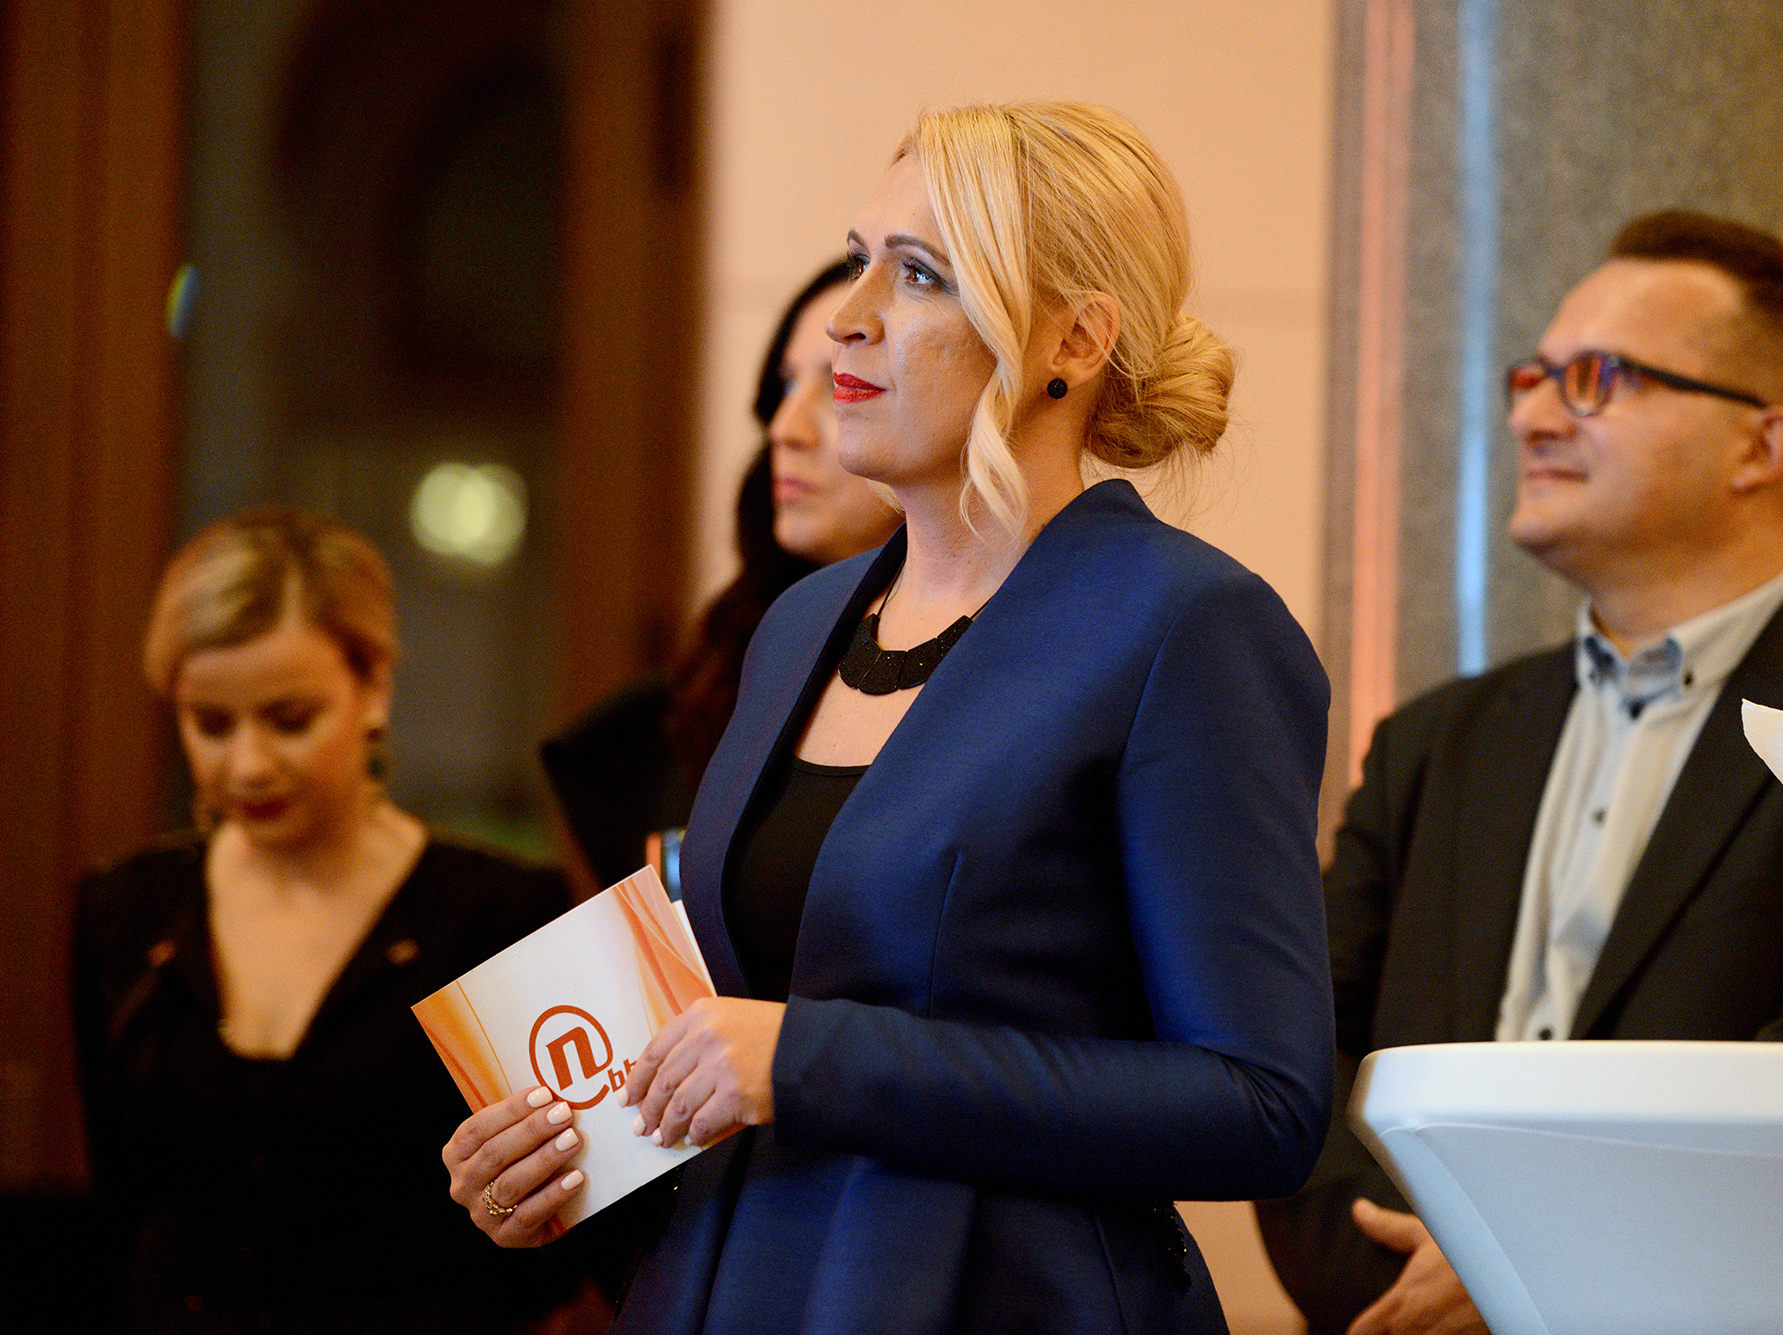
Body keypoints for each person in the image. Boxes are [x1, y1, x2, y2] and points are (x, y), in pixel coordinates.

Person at [445, 102, 1336, 1333]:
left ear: (1072, 338)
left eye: (918, 274)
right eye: (858, 258)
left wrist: (811, 1060)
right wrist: (565, 1159)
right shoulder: (801, 623)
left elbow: (1260, 1108)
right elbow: (731, 1036)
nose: (846, 318)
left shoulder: (1184, 626)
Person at [1254, 210, 1783, 1334]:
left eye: (1596, 379)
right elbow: (1296, 1052)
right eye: (1533, 377)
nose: (1530, 416)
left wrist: (1534, 1274)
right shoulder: (1433, 744)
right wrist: (1401, 1287)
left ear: (1761, 446)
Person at [71, 509, 579, 1333]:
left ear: (373, 686)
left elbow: (556, 1231)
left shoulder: (499, 913)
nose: (248, 764)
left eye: (290, 719)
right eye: (210, 723)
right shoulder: (124, 910)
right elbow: (118, 1214)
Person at [541, 259, 901, 888]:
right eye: (784, 388)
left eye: (840, 385)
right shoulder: (672, 718)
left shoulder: (1003, 667)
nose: (786, 430)